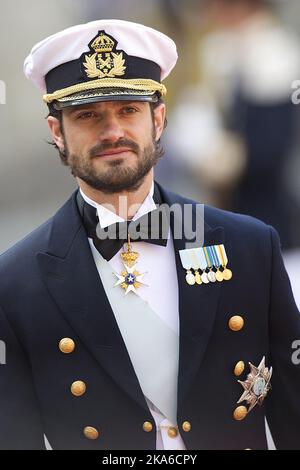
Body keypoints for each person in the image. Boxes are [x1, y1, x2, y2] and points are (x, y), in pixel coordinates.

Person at [0, 19, 299, 451]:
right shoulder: (13, 285)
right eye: (87, 115)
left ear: (158, 119)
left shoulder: (251, 248)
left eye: (128, 110)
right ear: (57, 133)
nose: (112, 132)